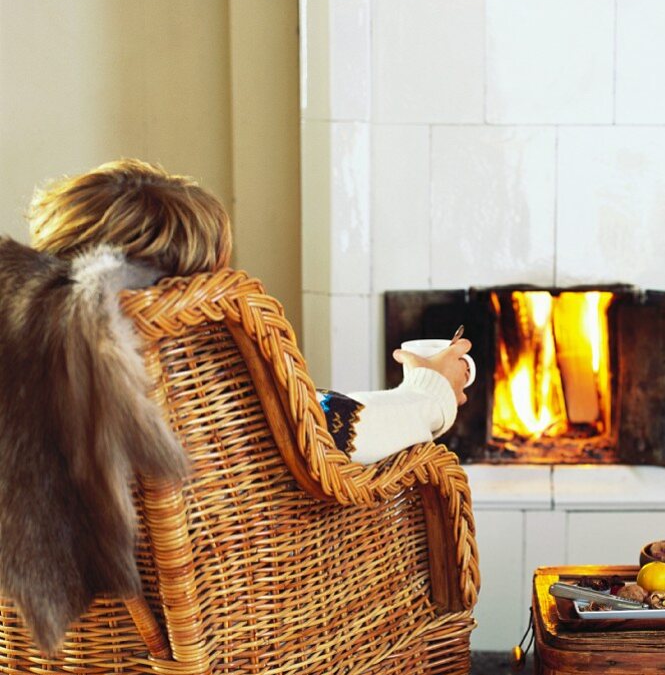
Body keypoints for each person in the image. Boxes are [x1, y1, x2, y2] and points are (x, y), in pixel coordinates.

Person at [27, 159, 473, 463]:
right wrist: (429, 394)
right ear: (187, 292)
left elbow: (307, 408)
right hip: (237, 597)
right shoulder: (196, 396)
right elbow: (321, 432)